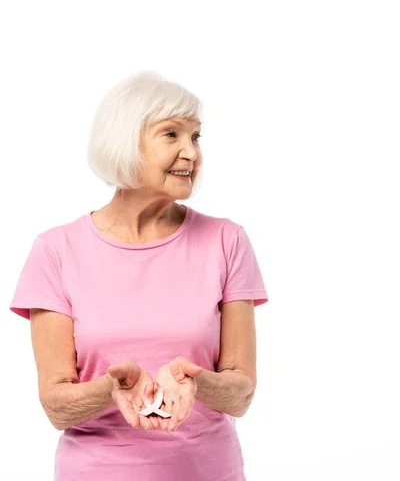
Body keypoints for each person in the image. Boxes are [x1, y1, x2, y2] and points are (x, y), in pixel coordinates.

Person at [9, 70, 269, 481]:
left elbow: (242, 394)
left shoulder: (227, 240)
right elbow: (56, 405)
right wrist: (109, 389)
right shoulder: (55, 250)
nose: (192, 153)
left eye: (196, 137)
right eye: (171, 135)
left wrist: (198, 382)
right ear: (125, 143)